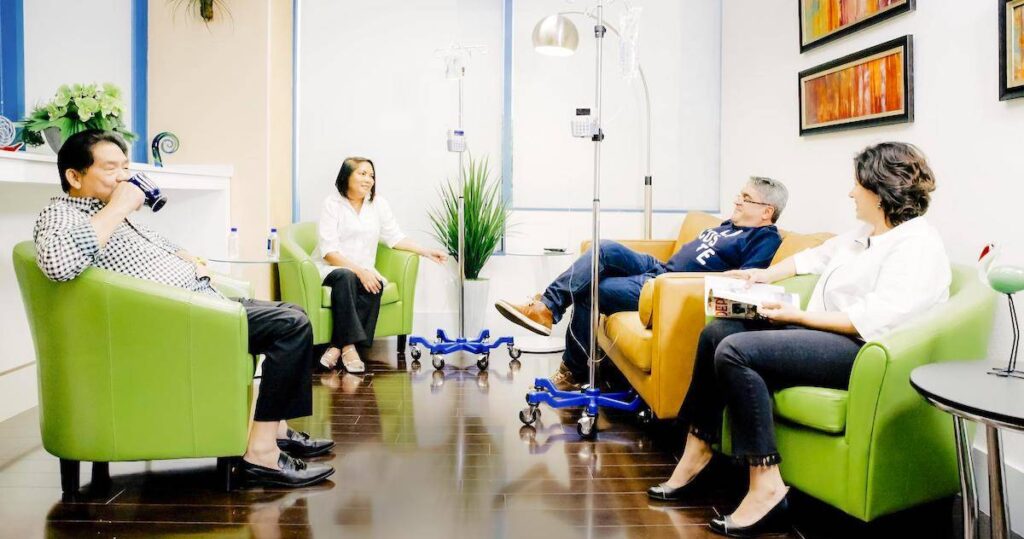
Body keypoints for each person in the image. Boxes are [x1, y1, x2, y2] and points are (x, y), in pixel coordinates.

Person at [646, 142, 951, 538]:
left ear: (880, 190)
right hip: (826, 333)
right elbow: (817, 257)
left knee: (736, 352)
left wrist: (797, 316)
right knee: (717, 332)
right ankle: (698, 449)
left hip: (866, 351)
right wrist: (762, 277)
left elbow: (875, 318)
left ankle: (766, 484)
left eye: (857, 185)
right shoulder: (867, 233)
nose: (850, 193)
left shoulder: (917, 244)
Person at [33, 130, 334, 488]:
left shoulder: (113, 216)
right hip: (176, 324)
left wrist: (189, 259)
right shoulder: (61, 214)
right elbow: (57, 263)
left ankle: (276, 429)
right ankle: (262, 455)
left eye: (126, 168)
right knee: (291, 325)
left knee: (291, 311)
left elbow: (158, 246)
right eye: (111, 169)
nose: (124, 177)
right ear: (74, 176)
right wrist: (118, 207)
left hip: (200, 307)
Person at [495, 176, 790, 390]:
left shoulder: (764, 238)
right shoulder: (731, 224)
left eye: (746, 198)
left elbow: (746, 280)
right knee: (602, 248)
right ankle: (547, 307)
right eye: (739, 194)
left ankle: (572, 368)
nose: (737, 200)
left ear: (767, 211)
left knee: (591, 290)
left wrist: (683, 281)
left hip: (668, 288)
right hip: (659, 268)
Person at [315, 156, 447, 373]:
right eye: (362, 173)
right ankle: (349, 349)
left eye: (372, 175)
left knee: (374, 285)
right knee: (346, 277)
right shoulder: (332, 204)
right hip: (332, 268)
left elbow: (395, 237)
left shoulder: (378, 204)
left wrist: (425, 251)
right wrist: (359, 271)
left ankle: (337, 347)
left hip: (364, 269)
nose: (369, 180)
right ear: (346, 176)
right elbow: (329, 252)